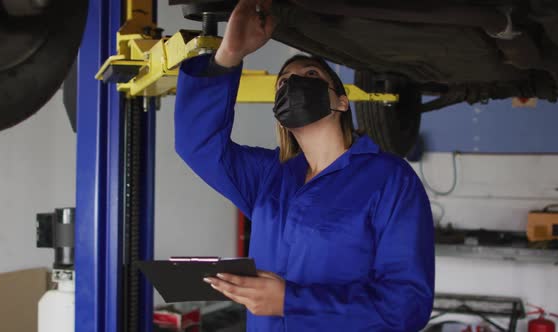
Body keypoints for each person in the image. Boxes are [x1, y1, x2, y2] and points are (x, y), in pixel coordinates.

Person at [174, 0, 435, 330]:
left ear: (342, 101)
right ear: (278, 113)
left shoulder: (389, 179)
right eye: (283, 83)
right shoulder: (269, 176)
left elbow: (407, 305)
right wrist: (228, 54)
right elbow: (197, 146)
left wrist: (289, 302)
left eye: (311, 75)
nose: (294, 83)